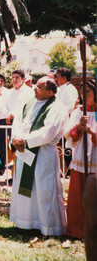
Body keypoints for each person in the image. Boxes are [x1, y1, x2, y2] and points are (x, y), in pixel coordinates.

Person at [9, 76, 67, 236]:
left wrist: (25, 140)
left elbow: (49, 132)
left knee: (44, 189)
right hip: (24, 153)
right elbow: (18, 123)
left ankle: (47, 226)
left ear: (49, 92)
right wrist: (16, 138)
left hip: (43, 154)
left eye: (39, 87)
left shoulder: (57, 108)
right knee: (25, 189)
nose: (34, 88)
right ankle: (25, 222)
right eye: (35, 85)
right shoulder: (28, 103)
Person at [64, 79, 96, 239]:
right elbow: (68, 134)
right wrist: (78, 127)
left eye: (88, 92)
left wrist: (92, 133)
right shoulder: (78, 111)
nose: (84, 95)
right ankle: (77, 227)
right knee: (78, 194)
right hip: (81, 158)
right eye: (82, 92)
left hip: (95, 156)